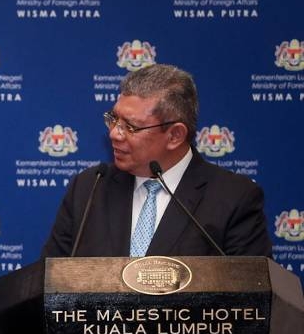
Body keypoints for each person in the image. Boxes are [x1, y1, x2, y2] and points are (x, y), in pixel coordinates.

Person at [41, 63, 271, 259]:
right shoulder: (89, 188)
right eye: (114, 119)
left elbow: (251, 298)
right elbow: (49, 283)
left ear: (175, 135)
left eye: (130, 127)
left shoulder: (233, 198)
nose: (114, 133)